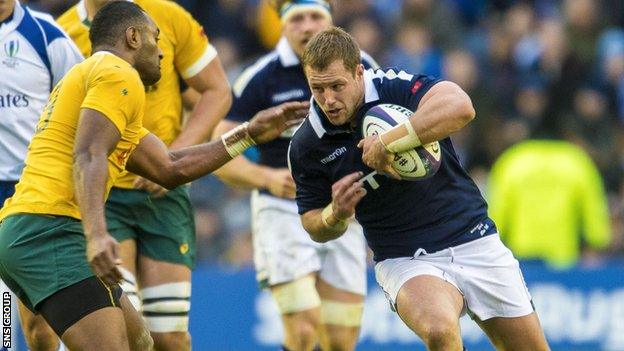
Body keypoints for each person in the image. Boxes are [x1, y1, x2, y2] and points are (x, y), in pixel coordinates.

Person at [0, 2, 308, 351]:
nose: (162, 53)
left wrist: (249, 133)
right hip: (48, 231)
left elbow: (171, 167)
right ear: (133, 37)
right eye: (155, 38)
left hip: (29, 228)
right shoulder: (118, 74)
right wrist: (98, 236)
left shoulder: (102, 81)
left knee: (142, 342)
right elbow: (88, 153)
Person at [288, 27, 550, 351]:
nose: (328, 99)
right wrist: (334, 214)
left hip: (474, 236)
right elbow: (312, 222)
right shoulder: (307, 145)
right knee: (439, 330)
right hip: (405, 257)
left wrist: (389, 141)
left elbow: (461, 107)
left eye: (337, 86)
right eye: (318, 88)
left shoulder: (391, 87)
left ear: (358, 72)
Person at [56, 0, 232, 350]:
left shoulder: (165, 16)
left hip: (163, 194)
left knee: (171, 338)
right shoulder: (60, 35)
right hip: (103, 195)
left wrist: (174, 157)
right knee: (124, 327)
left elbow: (218, 90)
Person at [212, 2, 376, 350]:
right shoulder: (260, 77)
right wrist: (265, 178)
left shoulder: (364, 67)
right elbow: (220, 150)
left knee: (340, 338)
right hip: (282, 209)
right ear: (283, 25)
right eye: (297, 18)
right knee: (303, 326)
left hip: (345, 214)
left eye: (315, 16)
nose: (307, 26)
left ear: (331, 20)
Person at [0, 1, 83, 350]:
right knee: (3, 320)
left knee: (39, 327)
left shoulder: (48, 37)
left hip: (29, 192)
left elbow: (85, 104)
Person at [489, 138, 611, 268]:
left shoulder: (513, 160)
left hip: (522, 253)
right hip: (564, 257)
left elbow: (496, 213)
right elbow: (594, 212)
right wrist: (596, 241)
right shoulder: (576, 161)